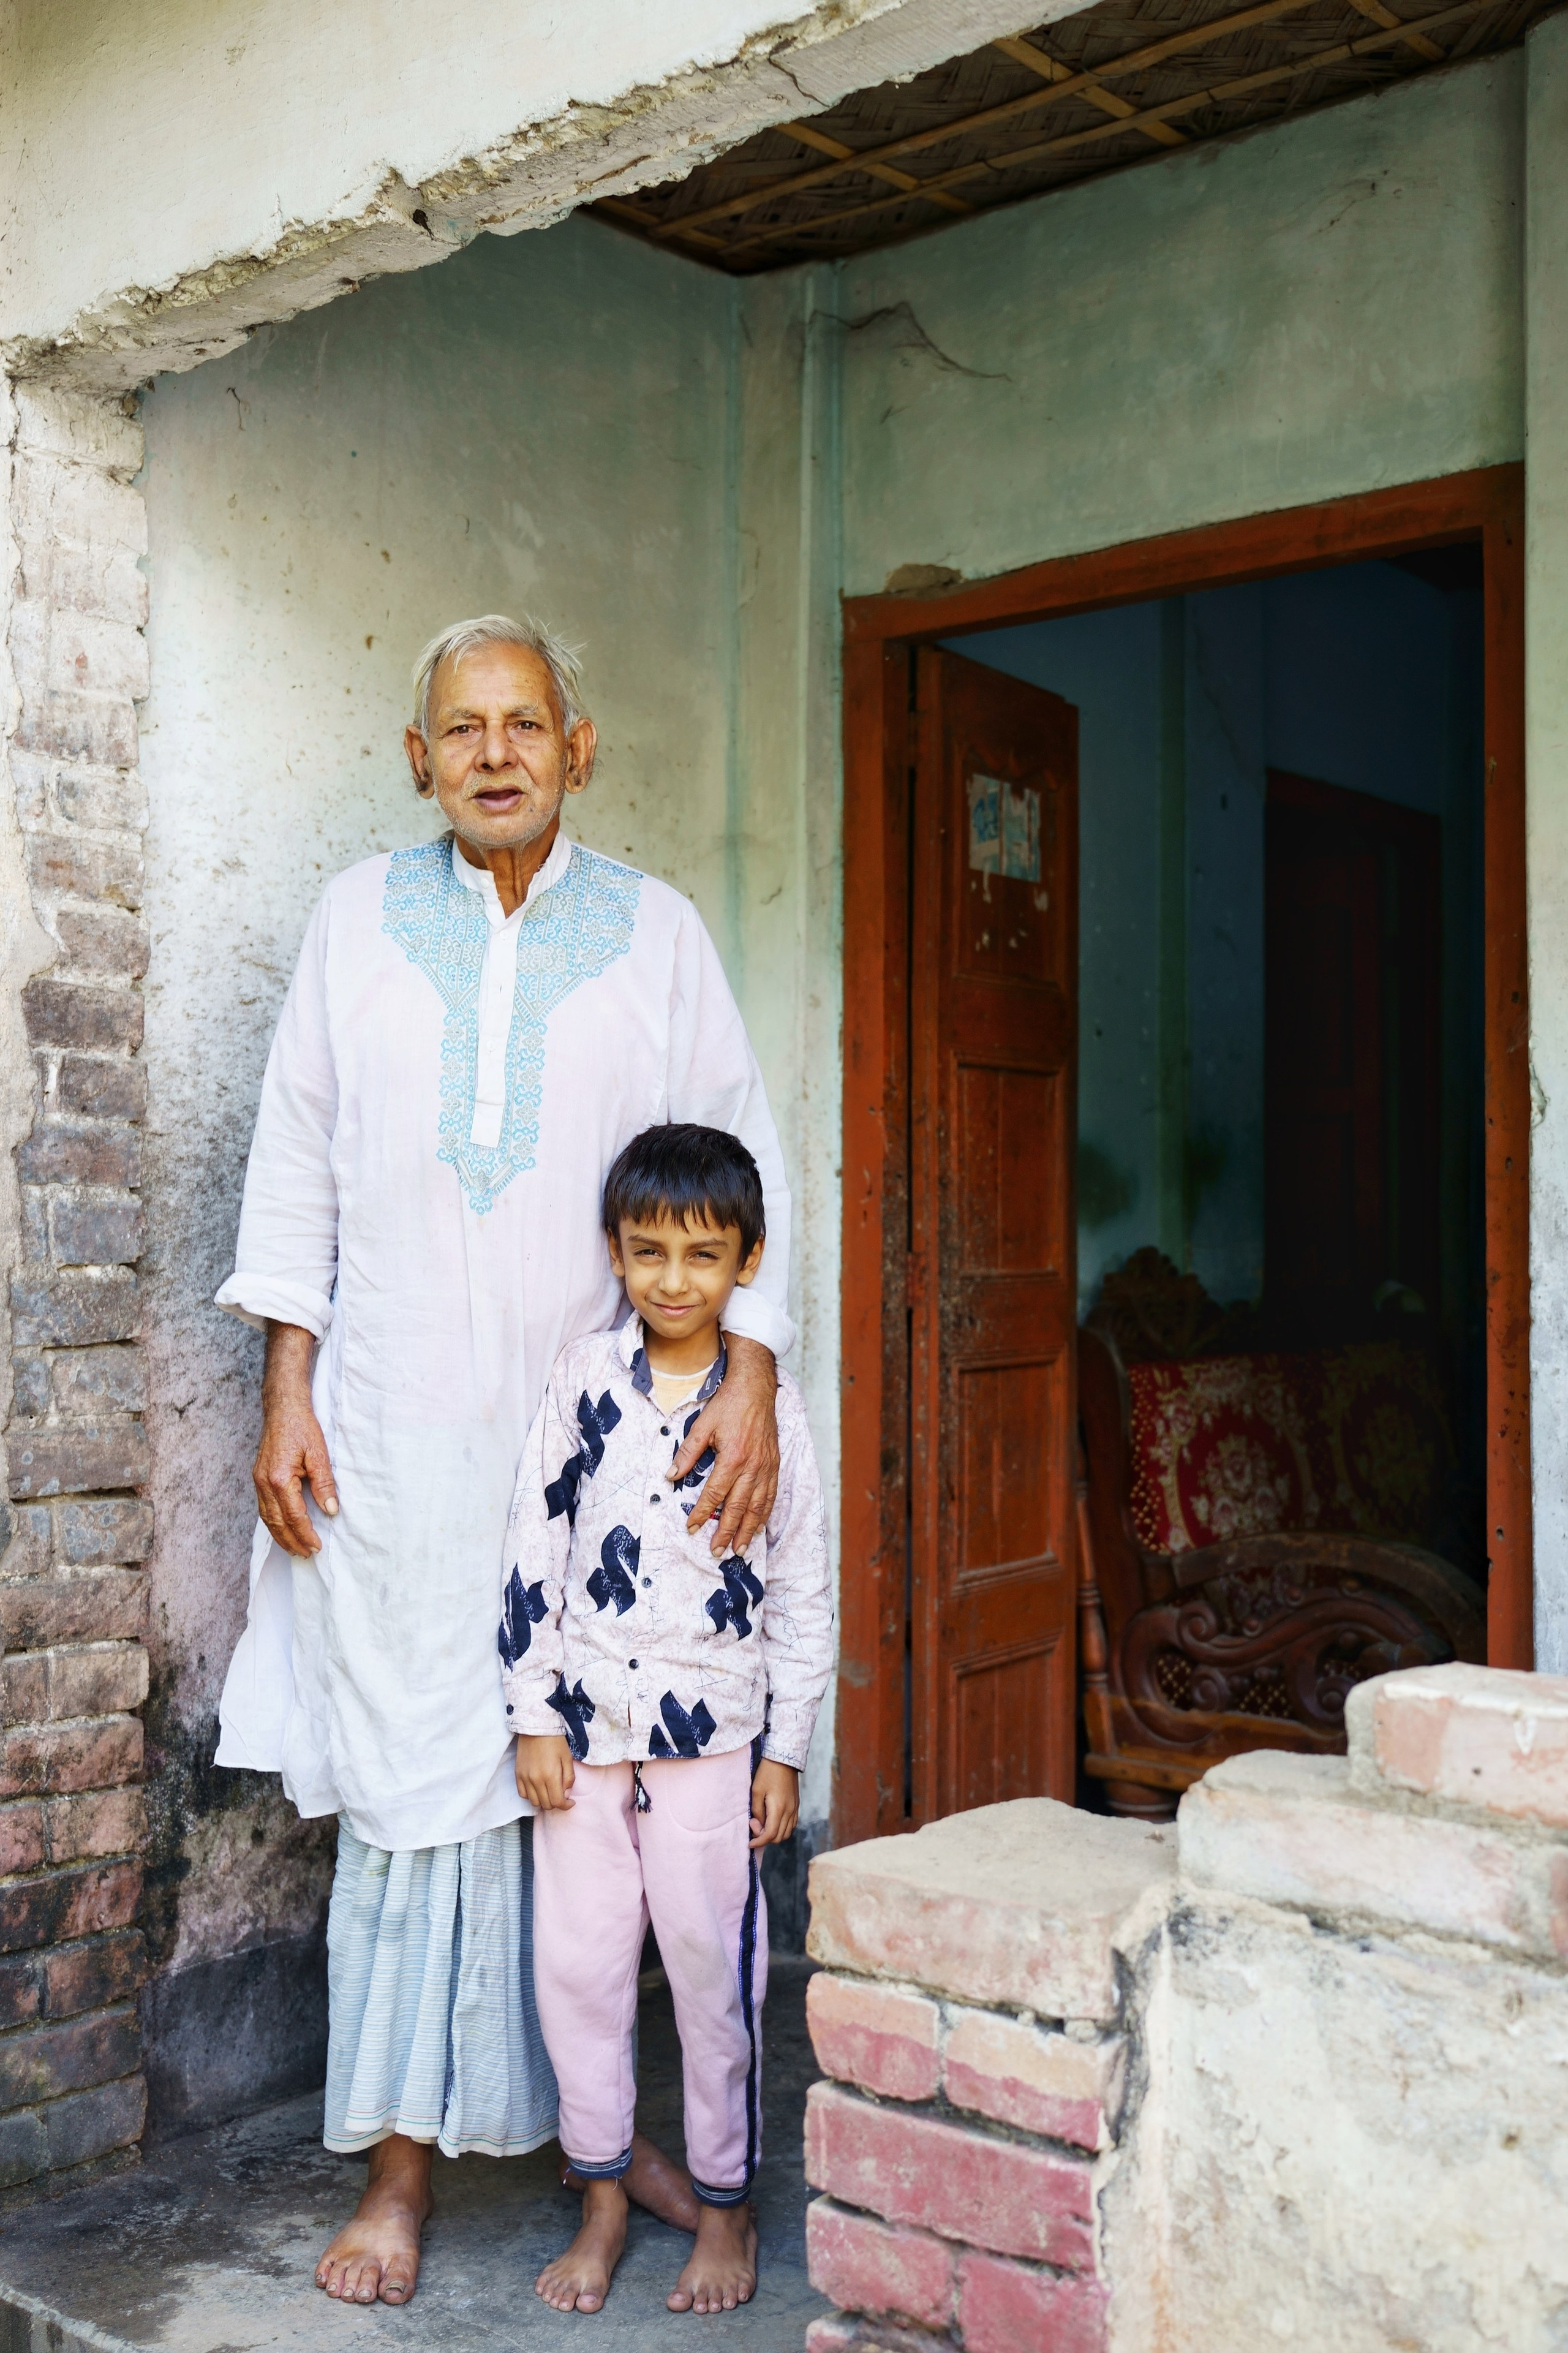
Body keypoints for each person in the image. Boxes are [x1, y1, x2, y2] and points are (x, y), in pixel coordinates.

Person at [213, 615, 796, 2307]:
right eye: (460, 727)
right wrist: (285, 1387)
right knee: (415, 1785)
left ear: (580, 745)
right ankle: (399, 2175)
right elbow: (296, 1165)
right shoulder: (354, 922)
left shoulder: (659, 937)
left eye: (523, 723)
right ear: (417, 759)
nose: (493, 751)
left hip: (604, 1457)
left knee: (603, 1792)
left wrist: (749, 1375)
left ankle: (601, 2148)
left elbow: (743, 1160)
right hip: (392, 1435)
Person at [503, 1122, 833, 2318]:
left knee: (711, 1976)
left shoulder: (769, 1414)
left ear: (746, 1260)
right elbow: (533, 1548)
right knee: (580, 1973)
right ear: (615, 1253)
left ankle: (725, 2199)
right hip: (584, 1739)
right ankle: (600, 2196)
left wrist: (785, 1747)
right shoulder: (580, 1383)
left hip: (711, 1741)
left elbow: (803, 1585)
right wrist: (532, 1711)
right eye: (647, 1252)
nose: (673, 1279)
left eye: (702, 1254)